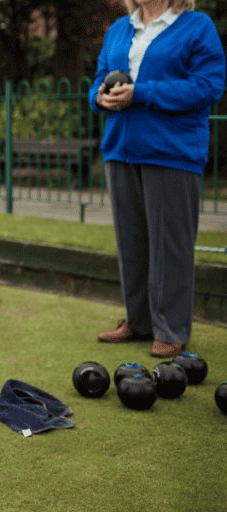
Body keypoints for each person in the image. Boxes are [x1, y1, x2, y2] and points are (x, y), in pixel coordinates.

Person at [90, 0, 225, 357]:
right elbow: (99, 78)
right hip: (121, 149)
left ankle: (171, 329)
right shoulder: (119, 29)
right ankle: (139, 321)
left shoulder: (197, 26)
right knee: (132, 244)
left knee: (170, 245)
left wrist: (141, 93)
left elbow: (208, 87)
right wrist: (100, 97)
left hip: (172, 151)